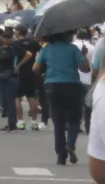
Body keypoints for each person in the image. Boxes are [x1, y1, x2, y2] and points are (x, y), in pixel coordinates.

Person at [33, 31, 91, 165]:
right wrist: (83, 55)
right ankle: (70, 144)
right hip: (72, 86)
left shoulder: (47, 48)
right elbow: (84, 69)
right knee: (74, 119)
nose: (72, 36)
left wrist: (46, 70)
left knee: (58, 122)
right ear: (64, 35)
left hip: (52, 86)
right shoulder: (73, 49)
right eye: (70, 34)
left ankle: (61, 155)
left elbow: (35, 68)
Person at [13, 26, 43, 130]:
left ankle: (20, 121)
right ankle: (34, 122)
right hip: (32, 72)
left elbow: (25, 55)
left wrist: (18, 66)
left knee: (17, 98)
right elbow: (41, 53)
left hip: (20, 73)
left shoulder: (16, 43)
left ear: (18, 32)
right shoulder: (34, 42)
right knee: (32, 97)